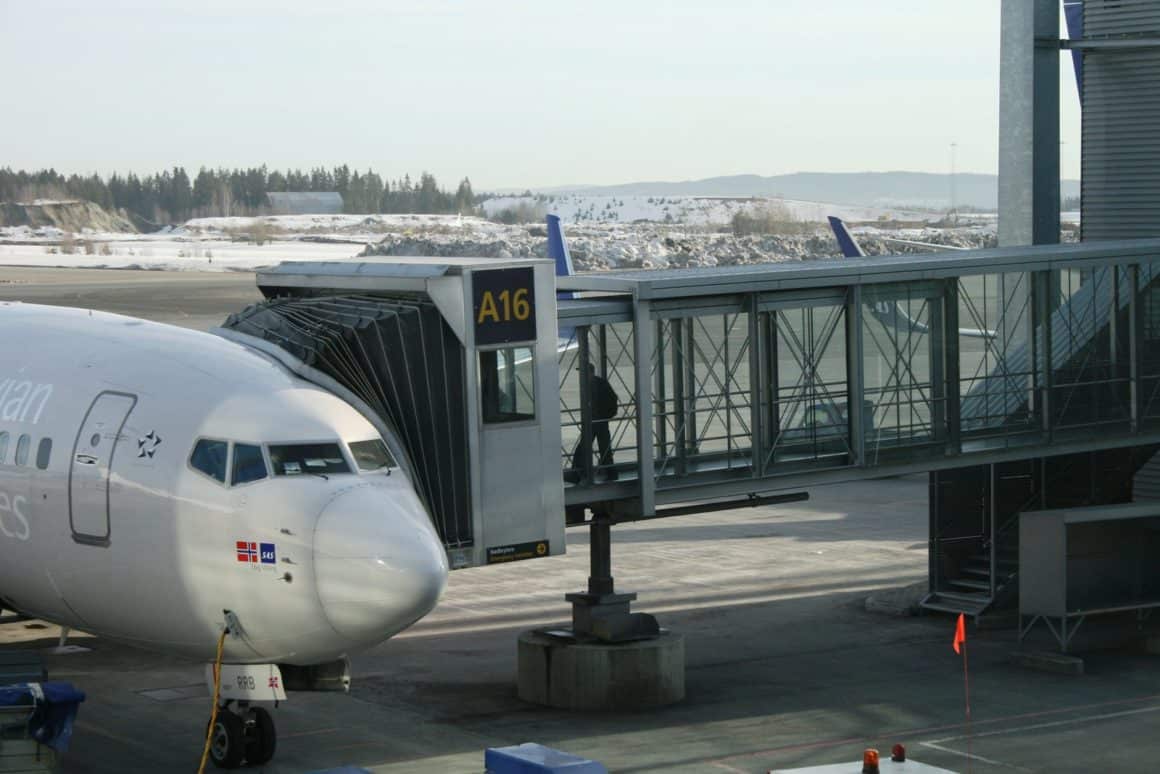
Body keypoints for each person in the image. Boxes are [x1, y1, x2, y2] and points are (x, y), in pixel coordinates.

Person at [570, 361, 619, 481]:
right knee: (603, 447)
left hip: (598, 420)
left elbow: (608, 400)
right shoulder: (596, 383)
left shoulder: (596, 384)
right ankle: (610, 472)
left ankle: (577, 473)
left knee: (586, 447)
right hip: (597, 420)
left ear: (589, 372)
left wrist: (602, 415)